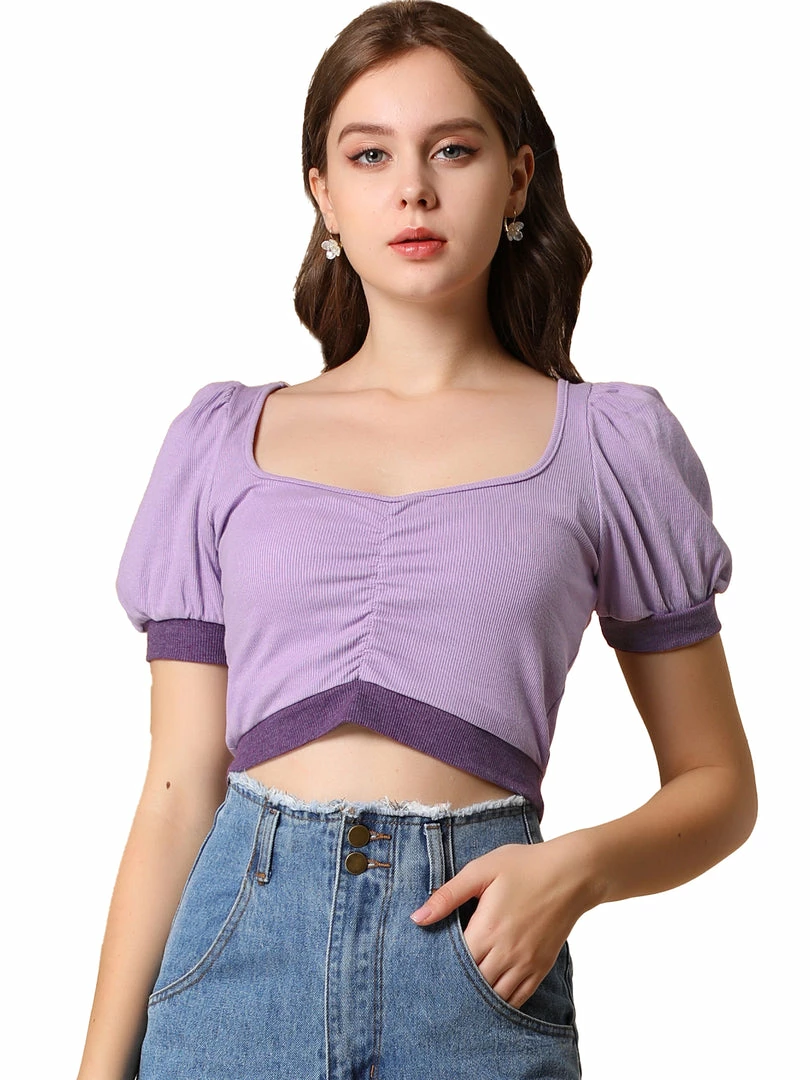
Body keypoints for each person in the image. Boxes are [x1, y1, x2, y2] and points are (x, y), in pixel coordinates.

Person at [77, 2, 757, 1078]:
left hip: (477, 971)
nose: (413, 190)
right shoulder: (221, 441)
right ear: (323, 193)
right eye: (370, 154)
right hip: (232, 970)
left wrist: (575, 871)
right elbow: (175, 792)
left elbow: (717, 783)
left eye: (453, 149)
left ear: (518, 179)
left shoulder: (608, 445)